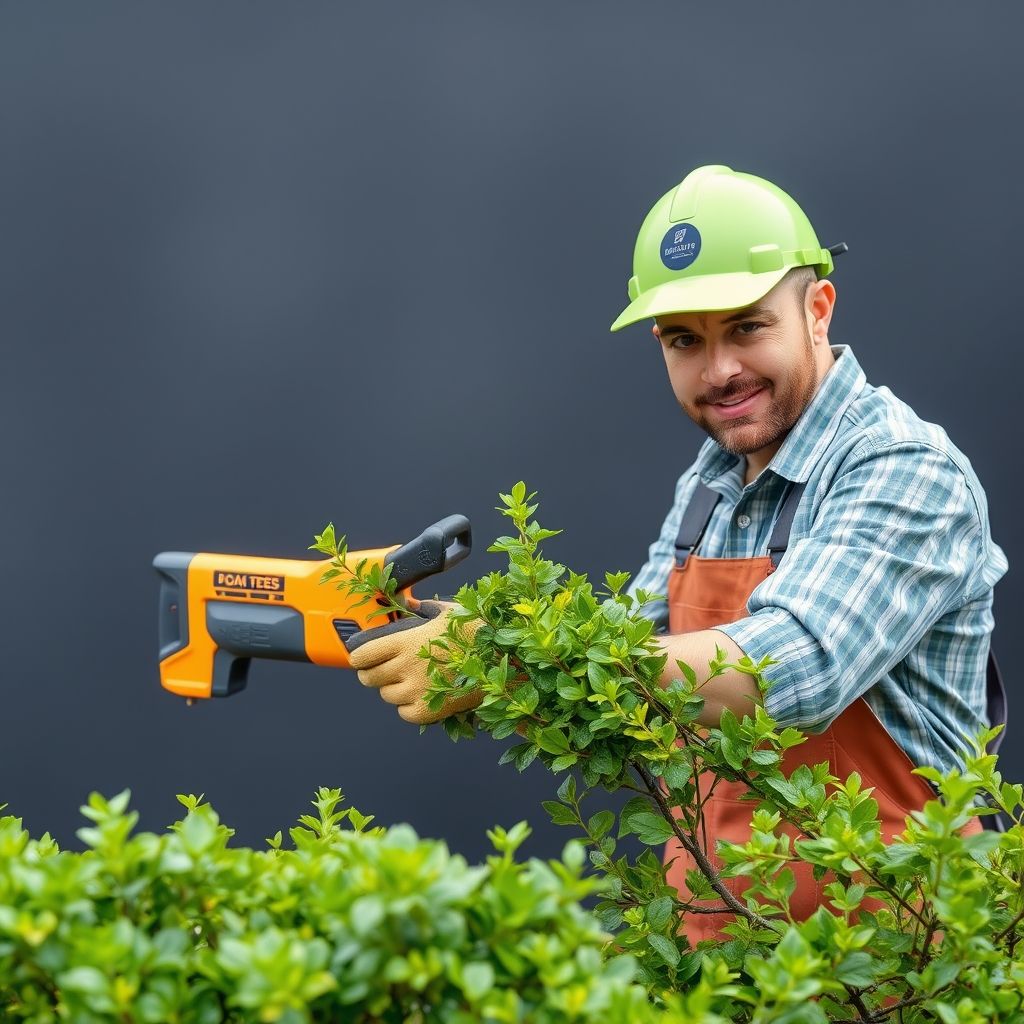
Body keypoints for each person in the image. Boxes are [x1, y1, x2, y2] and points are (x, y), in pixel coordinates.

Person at [344, 164, 1008, 941]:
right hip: (720, 968)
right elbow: (621, 657)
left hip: (896, 971)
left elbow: (790, 666)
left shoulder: (903, 468)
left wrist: (502, 660)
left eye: (748, 327)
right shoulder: (713, 479)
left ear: (817, 311)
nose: (719, 371)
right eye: (684, 340)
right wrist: (462, 631)